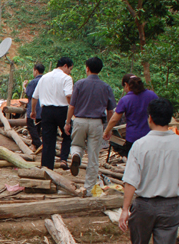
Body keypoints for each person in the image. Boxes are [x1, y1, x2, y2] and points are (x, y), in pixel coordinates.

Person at [117, 98, 179, 244]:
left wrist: (125, 209)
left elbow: (131, 181)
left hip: (144, 205)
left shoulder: (141, 145)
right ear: (170, 119)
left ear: (150, 118)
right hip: (172, 206)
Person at [66, 57, 116, 193]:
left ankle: (76, 155)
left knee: (76, 145)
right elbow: (111, 110)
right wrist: (108, 129)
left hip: (80, 121)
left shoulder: (80, 84)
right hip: (97, 123)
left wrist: (67, 123)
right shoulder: (106, 87)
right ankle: (89, 190)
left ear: (87, 68)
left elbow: (72, 106)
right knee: (93, 156)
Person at [30, 57, 74, 170]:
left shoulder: (44, 77)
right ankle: (63, 158)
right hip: (62, 110)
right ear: (65, 66)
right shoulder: (67, 78)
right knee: (68, 134)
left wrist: (33, 111)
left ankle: (46, 166)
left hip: (47, 111)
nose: (70, 71)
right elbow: (69, 95)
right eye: (70, 68)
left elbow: (35, 97)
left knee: (48, 139)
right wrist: (72, 109)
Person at [103, 74, 158, 156]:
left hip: (133, 138)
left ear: (126, 85)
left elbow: (115, 119)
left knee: (133, 164)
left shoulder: (126, 99)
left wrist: (107, 131)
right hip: (150, 136)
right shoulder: (152, 95)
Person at [25, 63, 45, 149]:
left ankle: (39, 144)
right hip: (43, 108)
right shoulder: (46, 80)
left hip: (34, 108)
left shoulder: (33, 82)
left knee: (30, 125)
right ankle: (35, 144)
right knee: (37, 127)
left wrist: (24, 87)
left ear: (36, 71)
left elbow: (29, 94)